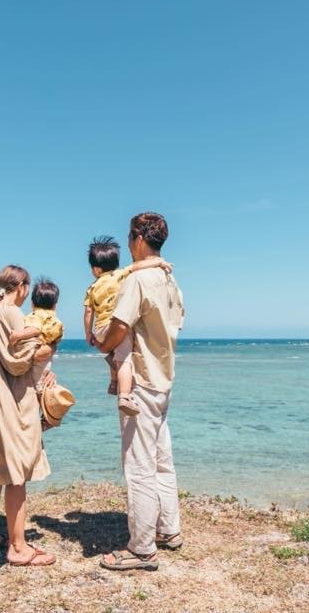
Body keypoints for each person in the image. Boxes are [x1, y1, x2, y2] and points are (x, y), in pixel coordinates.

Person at [95, 213, 186, 571]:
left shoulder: (139, 280)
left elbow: (120, 325)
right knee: (162, 460)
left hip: (142, 381)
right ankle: (168, 529)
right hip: (164, 378)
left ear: (138, 238)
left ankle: (142, 548)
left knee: (139, 466)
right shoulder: (169, 279)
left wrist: (103, 344)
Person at [0, 265, 57, 567]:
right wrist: (48, 348)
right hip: (12, 402)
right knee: (16, 474)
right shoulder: (11, 312)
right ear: (21, 286)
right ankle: (18, 547)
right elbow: (18, 362)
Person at [83, 238, 172, 416]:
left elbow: (88, 312)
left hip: (100, 328)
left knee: (113, 354)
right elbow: (138, 266)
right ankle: (124, 396)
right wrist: (159, 262)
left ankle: (113, 382)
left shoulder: (92, 288)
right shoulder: (120, 274)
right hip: (115, 324)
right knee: (124, 358)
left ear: (96, 269)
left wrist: (89, 334)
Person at [8, 277, 63, 426]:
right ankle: (49, 416)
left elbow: (35, 330)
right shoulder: (53, 318)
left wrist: (17, 335)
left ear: (32, 304)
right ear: (55, 306)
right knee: (44, 384)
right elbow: (55, 340)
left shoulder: (35, 316)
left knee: (38, 385)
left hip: (39, 359)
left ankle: (45, 418)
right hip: (47, 360)